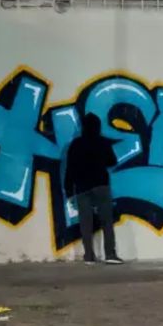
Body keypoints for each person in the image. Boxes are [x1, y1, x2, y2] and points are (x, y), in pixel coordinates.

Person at [63, 113, 122, 264]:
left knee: (85, 223)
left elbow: (70, 168)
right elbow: (112, 161)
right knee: (106, 221)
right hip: (101, 185)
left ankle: (89, 256)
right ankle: (110, 254)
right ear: (98, 126)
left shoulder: (76, 144)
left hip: (82, 188)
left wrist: (68, 189)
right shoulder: (103, 142)